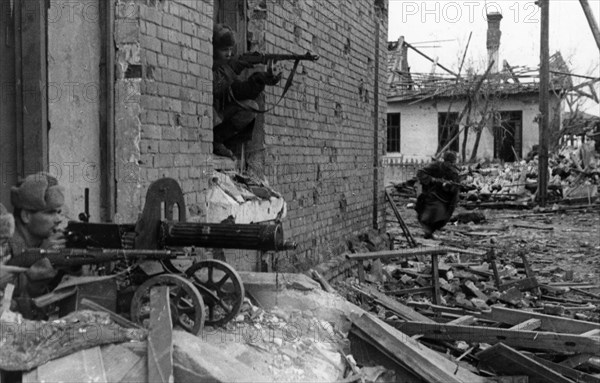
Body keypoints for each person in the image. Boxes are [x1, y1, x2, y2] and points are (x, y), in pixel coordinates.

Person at [212, 23, 281, 159]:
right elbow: (212, 88)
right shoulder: (205, 65)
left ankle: (218, 140)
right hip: (207, 119)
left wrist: (260, 79)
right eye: (224, 50)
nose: (229, 54)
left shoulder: (225, 66)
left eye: (231, 49)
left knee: (251, 107)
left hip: (218, 118)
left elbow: (238, 91)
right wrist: (232, 69)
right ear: (213, 50)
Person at [8, 172, 66, 318]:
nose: (58, 219)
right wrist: (43, 259)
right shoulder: (5, 247)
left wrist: (73, 266)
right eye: (50, 212)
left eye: (59, 212)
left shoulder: (46, 242)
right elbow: (14, 302)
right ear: (26, 216)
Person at [415, 151, 461, 239]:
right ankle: (427, 230)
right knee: (432, 212)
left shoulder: (454, 172)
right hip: (431, 193)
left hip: (445, 198)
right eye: (449, 162)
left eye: (453, 163)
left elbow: (455, 188)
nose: (451, 165)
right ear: (445, 161)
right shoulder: (436, 165)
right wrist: (433, 180)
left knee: (442, 217)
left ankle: (429, 232)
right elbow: (420, 172)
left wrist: (450, 186)